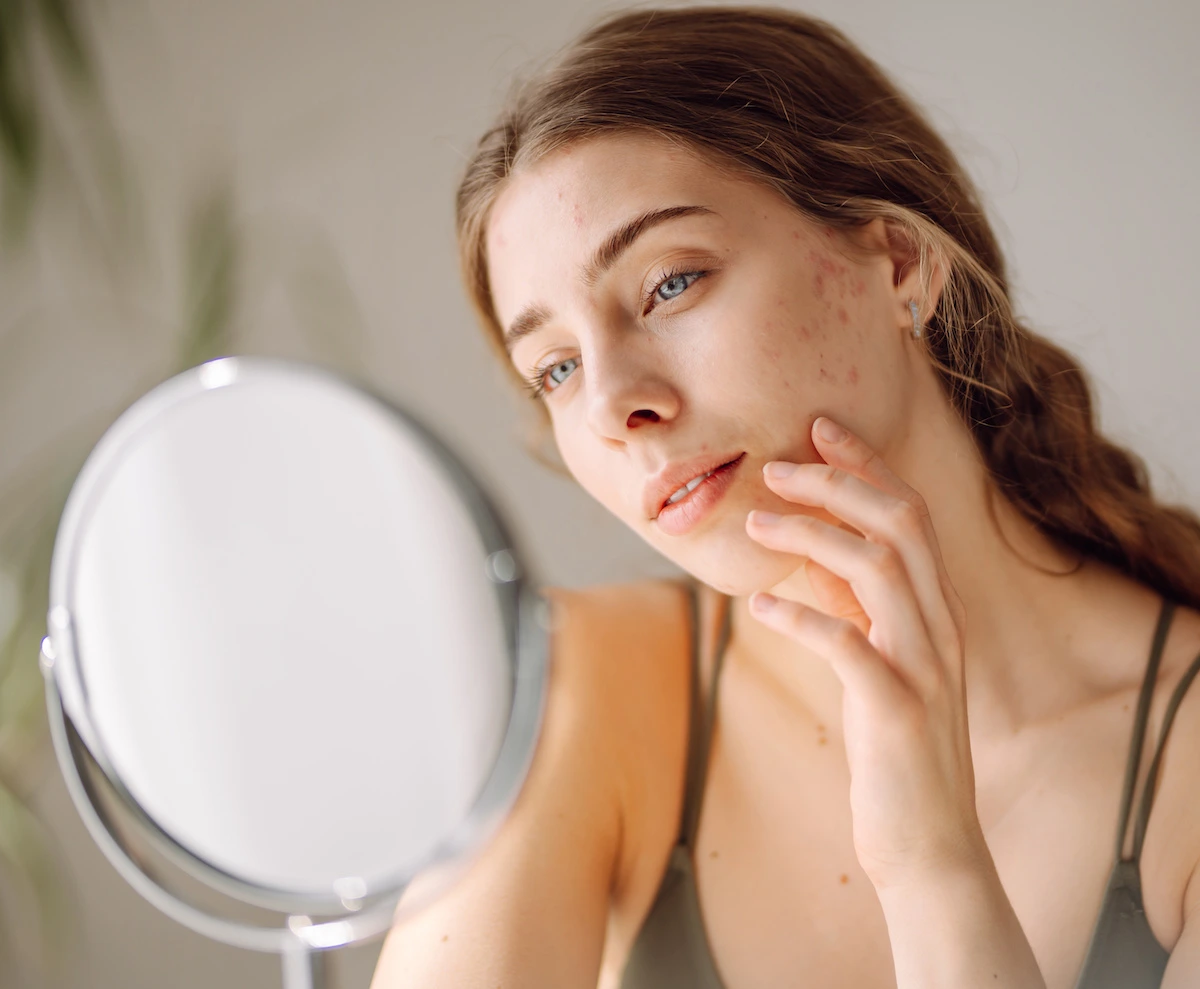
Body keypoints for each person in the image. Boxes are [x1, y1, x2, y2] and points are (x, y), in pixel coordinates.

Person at [370, 7, 1200, 987]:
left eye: (669, 284)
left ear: (897, 261)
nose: (610, 405)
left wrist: (933, 857)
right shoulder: (579, 692)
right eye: (553, 368)